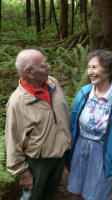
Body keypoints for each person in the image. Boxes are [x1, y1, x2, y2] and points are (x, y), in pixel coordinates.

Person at [67, 49, 112, 200]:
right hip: (80, 150)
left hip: (104, 155)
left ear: (108, 70)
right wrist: (68, 154)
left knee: (97, 195)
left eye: (94, 67)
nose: (90, 72)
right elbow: (73, 125)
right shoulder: (84, 93)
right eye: (89, 67)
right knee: (78, 192)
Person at [5, 49, 71, 200]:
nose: (49, 67)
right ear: (29, 72)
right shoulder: (17, 103)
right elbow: (12, 141)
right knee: (32, 197)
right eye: (43, 65)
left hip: (59, 156)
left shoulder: (53, 83)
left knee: (49, 194)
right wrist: (23, 172)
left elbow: (63, 116)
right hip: (38, 163)